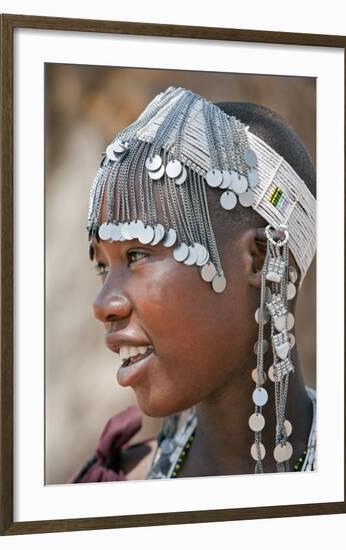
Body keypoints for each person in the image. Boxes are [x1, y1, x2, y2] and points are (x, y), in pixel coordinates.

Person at [67, 86, 316, 483]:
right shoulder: (110, 488)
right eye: (102, 266)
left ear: (261, 259)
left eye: (137, 254)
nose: (103, 304)